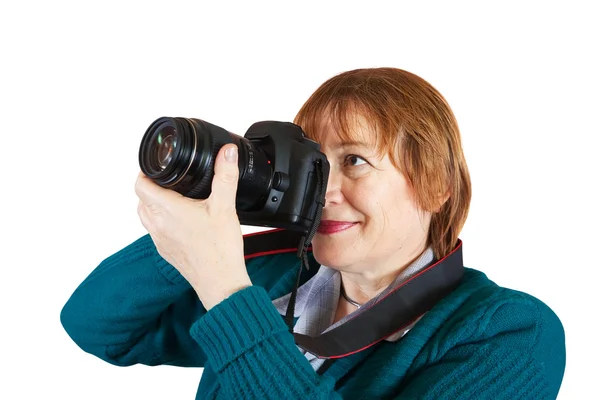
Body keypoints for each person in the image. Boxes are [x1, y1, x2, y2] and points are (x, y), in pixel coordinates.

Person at [60, 67, 566, 399]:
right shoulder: (281, 278)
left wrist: (227, 292)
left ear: (436, 186)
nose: (323, 190)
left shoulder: (510, 333)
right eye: (314, 166)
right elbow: (95, 325)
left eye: (355, 161)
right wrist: (203, 224)